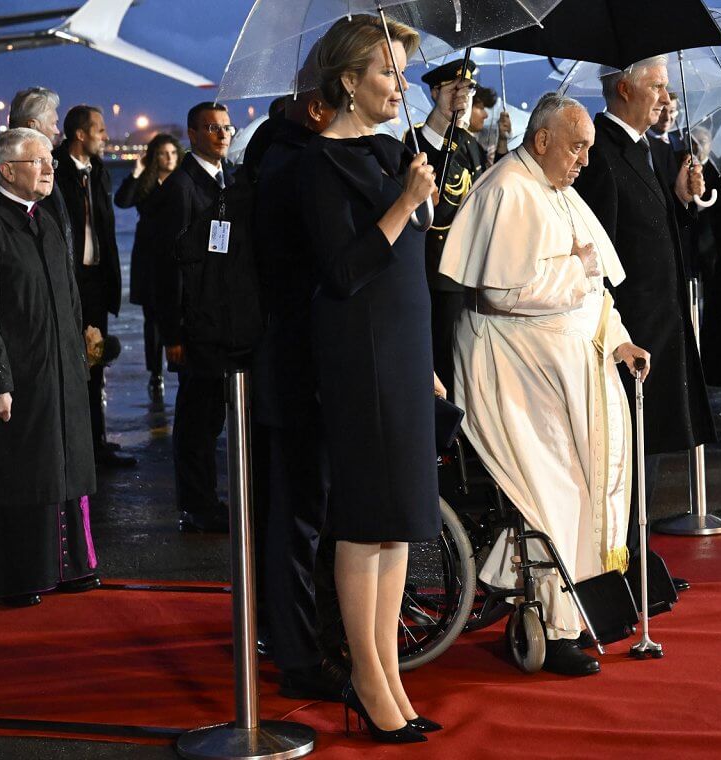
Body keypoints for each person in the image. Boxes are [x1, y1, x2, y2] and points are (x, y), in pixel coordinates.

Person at [441, 93, 650, 677]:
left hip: (562, 368)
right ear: (542, 141)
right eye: (578, 146)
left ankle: (571, 613)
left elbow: (596, 290)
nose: (586, 158)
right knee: (553, 494)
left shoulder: (555, 187)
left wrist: (619, 339)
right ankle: (552, 625)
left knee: (580, 491)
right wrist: (577, 266)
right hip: (513, 373)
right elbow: (501, 292)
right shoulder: (507, 187)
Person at [297, 14, 441, 743]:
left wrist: (433, 364)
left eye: (402, 71)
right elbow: (343, 272)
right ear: (349, 82)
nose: (400, 84)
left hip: (408, 354)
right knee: (366, 521)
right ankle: (366, 674)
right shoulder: (319, 163)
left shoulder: (395, 153)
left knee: (397, 526)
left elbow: (411, 273)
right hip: (361, 358)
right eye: (387, 71)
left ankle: (387, 671)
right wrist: (404, 206)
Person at [575, 55, 713, 589]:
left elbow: (665, 234)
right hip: (628, 331)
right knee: (624, 458)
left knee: (648, 451)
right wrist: (611, 333)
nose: (665, 96)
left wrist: (682, 201)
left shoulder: (653, 149)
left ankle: (639, 561)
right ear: (624, 88)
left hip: (663, 323)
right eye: (657, 86)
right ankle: (623, 569)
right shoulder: (600, 153)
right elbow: (598, 254)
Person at [249, 83, 348, 701]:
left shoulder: (275, 149)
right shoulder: (297, 163)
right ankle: (299, 653)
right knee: (297, 516)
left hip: (290, 363)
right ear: (317, 109)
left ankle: (291, 638)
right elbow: (329, 269)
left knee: (298, 513)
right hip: (294, 365)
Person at [0, 128, 98, 608]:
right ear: (8, 170)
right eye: (38, 161)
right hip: (21, 374)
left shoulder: (47, 221)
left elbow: (69, 298)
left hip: (60, 371)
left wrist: (79, 359)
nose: (50, 168)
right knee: (26, 473)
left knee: (66, 466)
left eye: (50, 159)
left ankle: (71, 566)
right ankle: (22, 574)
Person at [155, 102, 238, 532]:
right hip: (193, 325)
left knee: (212, 418)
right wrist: (172, 332)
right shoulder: (181, 188)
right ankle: (197, 505)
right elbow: (167, 267)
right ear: (192, 134)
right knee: (196, 420)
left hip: (219, 320)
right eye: (213, 128)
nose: (223, 135)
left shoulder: (227, 180)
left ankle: (208, 499)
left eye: (227, 127)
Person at [53, 105, 133, 469]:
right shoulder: (56, 170)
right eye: (99, 129)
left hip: (97, 279)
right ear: (80, 134)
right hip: (69, 281)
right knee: (69, 363)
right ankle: (72, 445)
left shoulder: (98, 171)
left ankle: (96, 442)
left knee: (96, 359)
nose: (105, 135)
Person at [414, 60, 484, 391]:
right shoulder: (416, 140)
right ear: (434, 92)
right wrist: (444, 121)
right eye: (454, 89)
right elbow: (433, 202)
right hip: (436, 271)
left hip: (469, 270)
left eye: (467, 89)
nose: (463, 97)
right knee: (440, 360)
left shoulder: (471, 145)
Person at [114, 133, 182, 407]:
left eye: (173, 153)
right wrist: (136, 172)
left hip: (175, 254)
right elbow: (123, 201)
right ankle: (155, 372)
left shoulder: (182, 182)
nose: (169, 158)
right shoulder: (147, 182)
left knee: (177, 312)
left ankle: (178, 365)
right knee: (151, 317)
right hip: (149, 255)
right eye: (163, 153)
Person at [468, 85, 512, 165]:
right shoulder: (456, 145)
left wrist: (502, 139)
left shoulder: (476, 148)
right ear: (466, 106)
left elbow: (498, 171)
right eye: (481, 108)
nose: (486, 115)